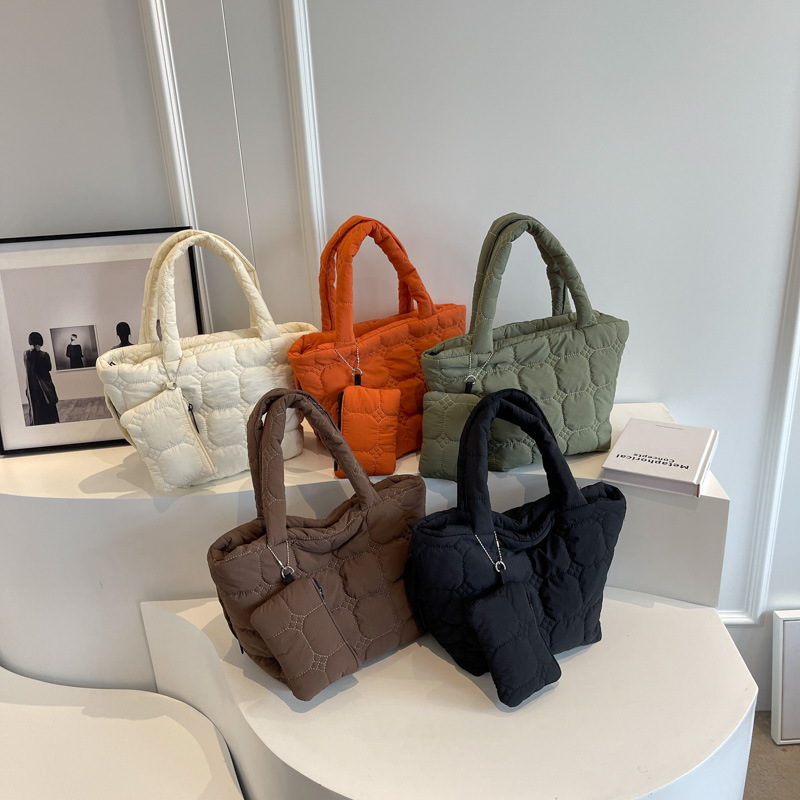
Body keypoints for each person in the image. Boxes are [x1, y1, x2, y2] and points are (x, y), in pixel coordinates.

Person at [24, 332, 59, 425]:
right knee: (48, 405)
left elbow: (29, 368)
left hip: (32, 386)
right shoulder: (44, 355)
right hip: (44, 384)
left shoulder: (26, 354)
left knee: (36, 407)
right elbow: (49, 368)